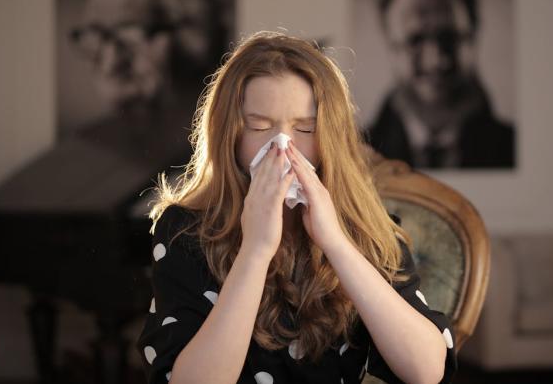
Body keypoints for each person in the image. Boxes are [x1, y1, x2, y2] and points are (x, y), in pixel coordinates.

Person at [135, 31, 458, 383]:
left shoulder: (365, 228)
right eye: (259, 126)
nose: (282, 145)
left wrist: (336, 243)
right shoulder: (184, 231)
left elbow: (426, 372)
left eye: (305, 128)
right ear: (230, 134)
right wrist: (255, 252)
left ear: (328, 138)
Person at [368, 0, 515, 168]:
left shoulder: (510, 148)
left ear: (474, 37)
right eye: (415, 40)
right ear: (389, 45)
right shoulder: (354, 154)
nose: (436, 61)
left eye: (449, 37)